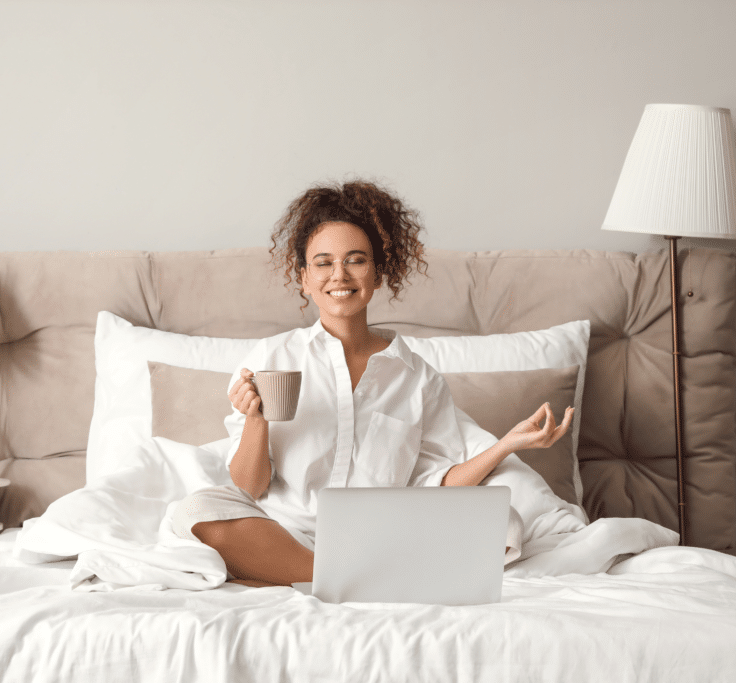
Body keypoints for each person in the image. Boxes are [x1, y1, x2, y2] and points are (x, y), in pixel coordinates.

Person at [171, 180, 573, 587]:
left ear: (379, 273)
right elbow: (248, 487)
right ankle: (350, 577)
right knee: (196, 511)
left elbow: (439, 485)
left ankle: (326, 576)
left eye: (356, 260)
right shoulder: (270, 359)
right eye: (323, 263)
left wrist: (506, 445)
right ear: (304, 277)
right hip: (284, 533)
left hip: (381, 537)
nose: (339, 275)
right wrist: (256, 420)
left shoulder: (417, 378)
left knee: (501, 520)